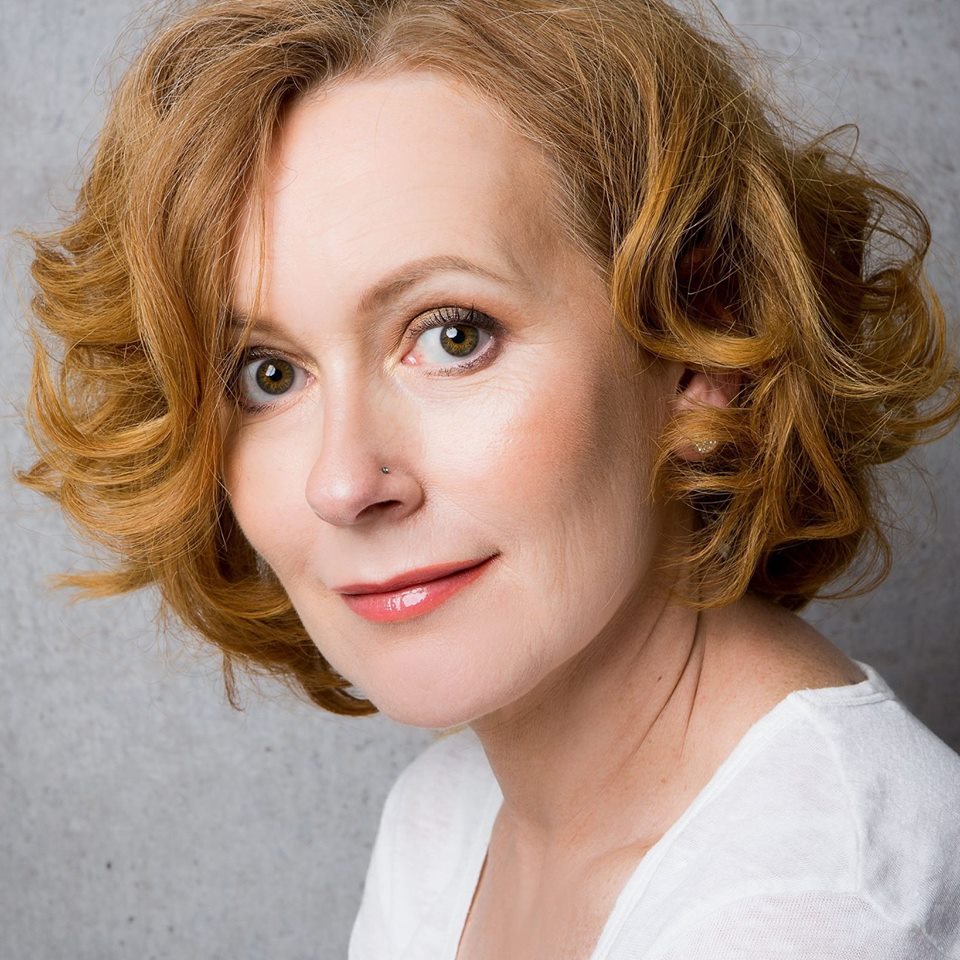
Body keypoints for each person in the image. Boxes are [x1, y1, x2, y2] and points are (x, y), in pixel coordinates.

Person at [18, 0, 960, 957]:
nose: (342, 484)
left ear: (699, 339)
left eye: (452, 335)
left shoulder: (816, 913)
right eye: (268, 374)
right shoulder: (447, 818)